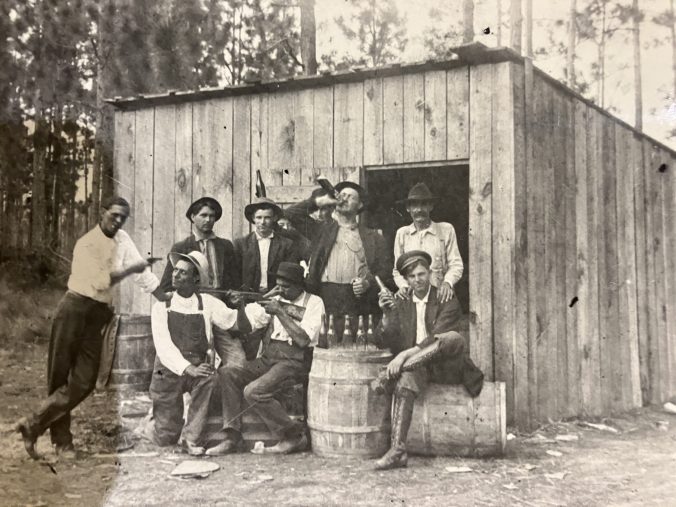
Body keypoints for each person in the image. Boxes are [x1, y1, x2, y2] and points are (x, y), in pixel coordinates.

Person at [15, 196, 167, 460]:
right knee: (59, 377)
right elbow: (99, 282)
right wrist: (132, 269)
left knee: (85, 381)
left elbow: (143, 275)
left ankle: (32, 424)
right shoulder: (86, 244)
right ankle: (63, 444)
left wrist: (167, 298)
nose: (118, 221)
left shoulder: (123, 239)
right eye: (114, 215)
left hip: (97, 315)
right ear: (102, 212)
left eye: (123, 217)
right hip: (73, 309)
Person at [373, 250, 483, 470]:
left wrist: (404, 355)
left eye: (422, 274)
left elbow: (439, 336)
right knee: (407, 378)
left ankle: (391, 373)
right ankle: (397, 450)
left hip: (446, 366)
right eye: (412, 277)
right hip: (419, 368)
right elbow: (382, 340)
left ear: (431, 273)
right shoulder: (401, 301)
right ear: (405, 280)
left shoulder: (445, 296)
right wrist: (386, 314)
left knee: (451, 338)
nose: (418, 280)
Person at [207, 262, 325, 456]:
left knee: (253, 392)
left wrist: (279, 311)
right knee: (228, 372)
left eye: (285, 287)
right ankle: (232, 436)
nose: (280, 290)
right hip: (270, 357)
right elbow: (245, 327)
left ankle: (293, 435)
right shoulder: (277, 299)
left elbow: (303, 340)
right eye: (278, 285)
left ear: (299, 286)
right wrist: (241, 306)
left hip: (294, 361)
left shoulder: (314, 303)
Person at [143, 251, 251, 456]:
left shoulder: (207, 303)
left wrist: (241, 306)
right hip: (167, 372)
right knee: (165, 438)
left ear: (195, 279)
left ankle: (191, 439)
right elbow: (164, 347)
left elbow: (239, 325)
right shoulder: (161, 305)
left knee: (208, 378)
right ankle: (151, 422)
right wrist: (188, 368)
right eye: (175, 270)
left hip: (196, 369)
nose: (175, 275)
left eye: (183, 273)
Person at [285, 182, 392, 318]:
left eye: (350, 197)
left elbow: (385, 272)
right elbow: (290, 214)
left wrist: (367, 283)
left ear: (360, 205)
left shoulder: (374, 237)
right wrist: (317, 202)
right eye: (341, 195)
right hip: (325, 295)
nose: (344, 199)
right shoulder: (321, 230)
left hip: (358, 299)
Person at [160, 197, 244, 367]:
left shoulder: (225, 246)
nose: (208, 220)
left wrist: (232, 299)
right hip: (193, 315)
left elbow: (235, 282)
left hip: (220, 310)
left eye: (212, 216)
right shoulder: (181, 247)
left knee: (237, 362)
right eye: (203, 215)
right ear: (192, 217)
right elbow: (167, 285)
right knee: (197, 362)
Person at [392, 182, 463, 304]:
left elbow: (456, 264)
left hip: (440, 298)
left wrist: (448, 283)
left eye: (424, 204)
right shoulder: (402, 234)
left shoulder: (446, 230)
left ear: (431, 207)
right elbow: (397, 270)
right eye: (414, 205)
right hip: (413, 299)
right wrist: (403, 286)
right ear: (408, 208)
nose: (419, 210)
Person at [233, 197, 299, 294]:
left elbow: (289, 276)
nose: (263, 222)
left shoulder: (286, 244)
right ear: (253, 219)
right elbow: (235, 275)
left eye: (267, 217)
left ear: (274, 218)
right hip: (247, 297)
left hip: (277, 296)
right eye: (259, 217)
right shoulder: (241, 244)